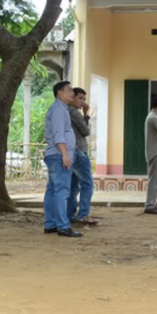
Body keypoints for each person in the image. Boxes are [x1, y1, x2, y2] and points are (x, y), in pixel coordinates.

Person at [43, 81, 81, 237]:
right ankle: (63, 226)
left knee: (52, 190)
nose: (72, 93)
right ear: (60, 93)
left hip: (54, 155)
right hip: (59, 155)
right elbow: (59, 134)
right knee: (61, 191)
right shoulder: (59, 109)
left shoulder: (59, 109)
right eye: (69, 90)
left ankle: (51, 224)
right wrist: (65, 154)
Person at [67, 87, 96, 226]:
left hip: (71, 151)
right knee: (87, 183)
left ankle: (70, 214)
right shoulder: (74, 112)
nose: (83, 102)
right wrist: (87, 114)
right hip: (79, 151)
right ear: (72, 98)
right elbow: (85, 131)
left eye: (84, 99)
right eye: (80, 98)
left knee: (73, 186)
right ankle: (83, 214)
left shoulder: (66, 111)